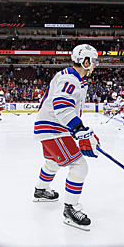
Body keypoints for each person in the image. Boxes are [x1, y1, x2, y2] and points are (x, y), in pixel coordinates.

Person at [32, 44, 99, 231]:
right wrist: (78, 129)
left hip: (49, 127)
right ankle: (70, 209)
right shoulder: (71, 78)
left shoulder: (74, 78)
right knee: (79, 165)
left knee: (52, 163)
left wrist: (82, 131)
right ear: (85, 62)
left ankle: (40, 190)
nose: (95, 65)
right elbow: (62, 107)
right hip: (54, 128)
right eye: (93, 62)